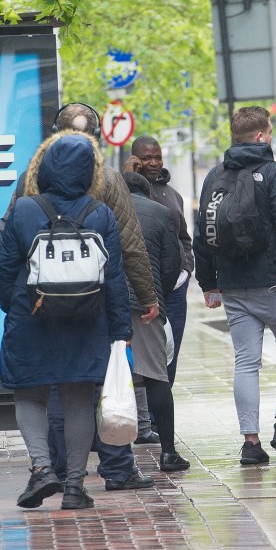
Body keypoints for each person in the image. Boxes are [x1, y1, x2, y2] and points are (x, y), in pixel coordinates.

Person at [3, 103, 157, 492]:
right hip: (89, 314)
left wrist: (15, 303)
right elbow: (127, 256)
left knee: (39, 390)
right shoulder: (104, 196)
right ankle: (94, 477)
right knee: (82, 394)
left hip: (33, 313)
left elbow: (4, 256)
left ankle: (46, 468)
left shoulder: (25, 191)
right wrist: (134, 311)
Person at [193, 106, 276, 463]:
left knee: (246, 362)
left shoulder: (213, 177)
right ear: (260, 136)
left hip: (233, 286)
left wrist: (209, 283)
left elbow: (201, 235)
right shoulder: (272, 173)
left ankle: (251, 444)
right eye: (268, 131)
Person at [124, 136, 194, 387]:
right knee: (144, 359)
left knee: (170, 354)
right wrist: (128, 178)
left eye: (157, 157)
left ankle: (161, 412)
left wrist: (186, 266)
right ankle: (148, 418)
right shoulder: (125, 194)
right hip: (142, 290)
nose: (153, 163)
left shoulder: (173, 194)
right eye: (146, 158)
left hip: (175, 288)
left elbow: (183, 237)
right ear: (134, 160)